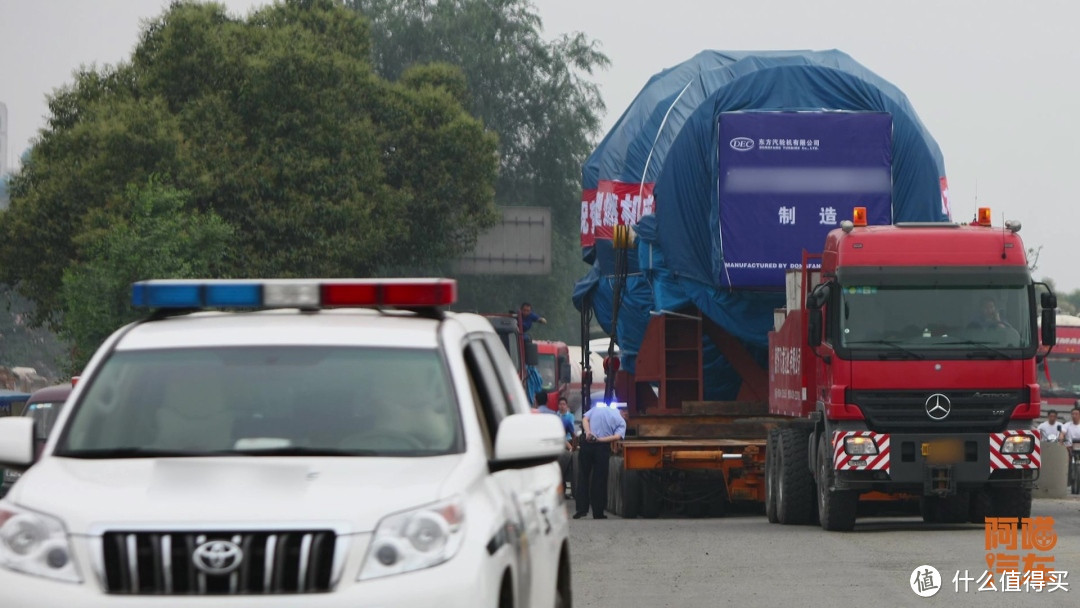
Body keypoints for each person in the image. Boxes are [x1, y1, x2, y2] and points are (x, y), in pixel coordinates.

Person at [573, 402, 626, 520]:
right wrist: (600, 440)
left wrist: (588, 433)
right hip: (602, 448)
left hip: (587, 444)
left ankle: (581, 509)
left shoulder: (597, 408)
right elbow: (617, 437)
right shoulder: (621, 421)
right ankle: (598, 512)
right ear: (623, 412)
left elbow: (585, 418)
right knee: (599, 480)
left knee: (583, 476)